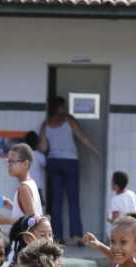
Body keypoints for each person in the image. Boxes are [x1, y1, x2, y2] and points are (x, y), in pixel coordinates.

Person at [39, 96, 98, 243]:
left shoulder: (46, 125)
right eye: (63, 106)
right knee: (73, 200)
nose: (65, 109)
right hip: (70, 162)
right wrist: (95, 151)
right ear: (59, 107)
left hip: (53, 162)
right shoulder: (69, 120)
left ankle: (57, 237)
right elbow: (82, 137)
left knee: (56, 202)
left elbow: (43, 147)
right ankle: (76, 235)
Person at [0, 144, 42, 226]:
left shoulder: (23, 188)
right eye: (8, 161)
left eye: (12, 161)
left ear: (25, 164)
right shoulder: (31, 183)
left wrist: (4, 221)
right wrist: (13, 206)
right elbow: (27, 214)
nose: (9, 165)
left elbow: (31, 222)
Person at [25, 131, 46, 206]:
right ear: (37, 143)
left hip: (25, 185)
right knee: (37, 208)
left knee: (26, 208)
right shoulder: (40, 155)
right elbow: (45, 165)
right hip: (36, 186)